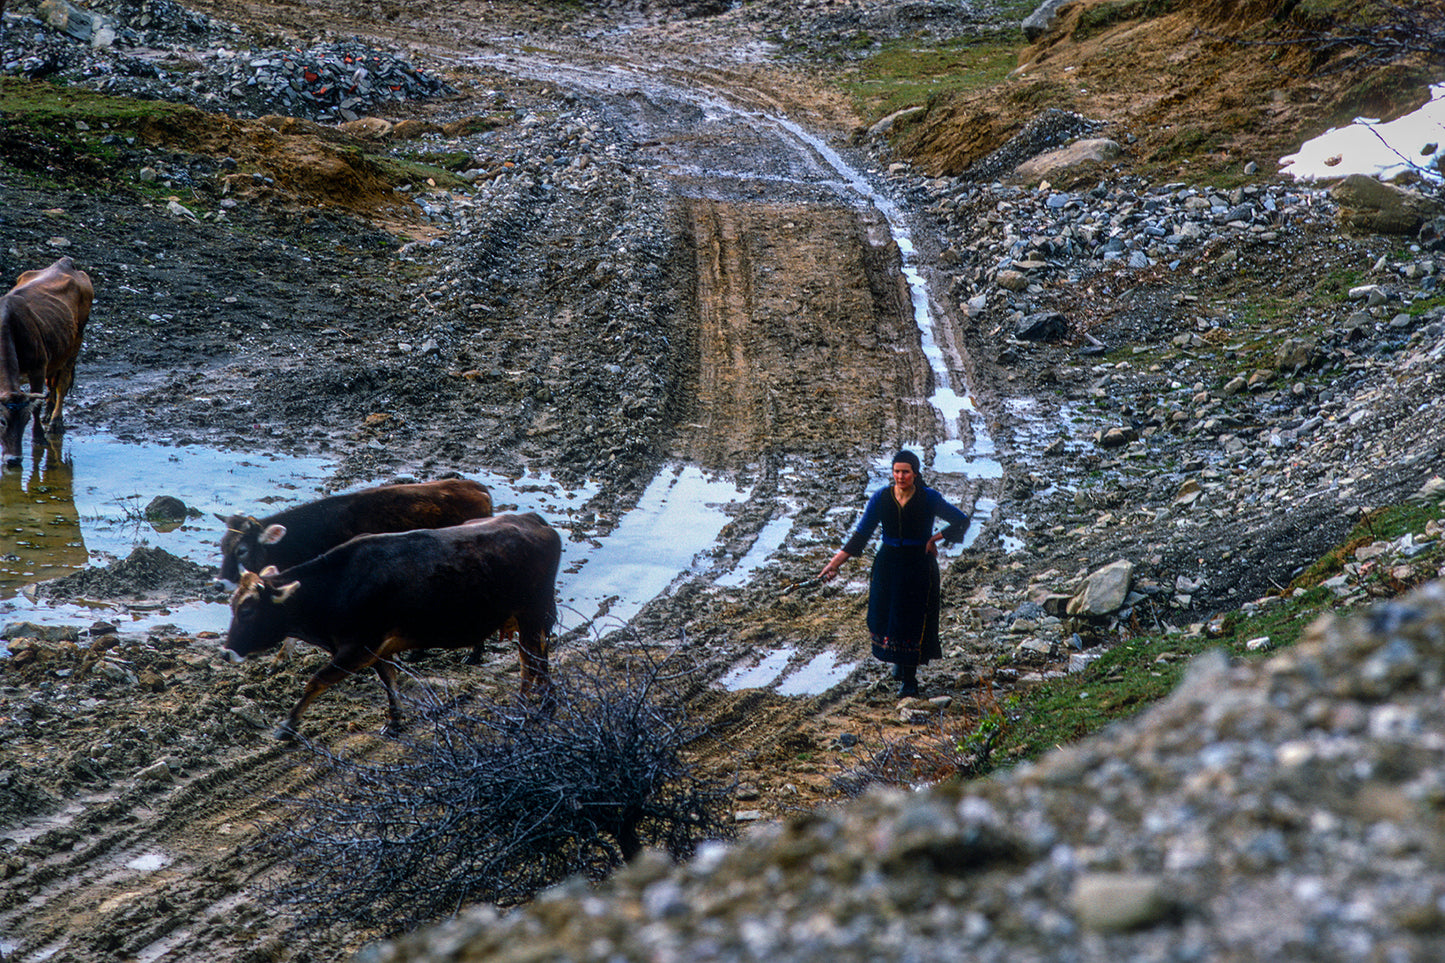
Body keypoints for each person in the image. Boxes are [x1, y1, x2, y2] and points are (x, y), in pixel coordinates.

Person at [818, 450, 970, 697]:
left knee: (911, 621)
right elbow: (861, 534)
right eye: (897, 471)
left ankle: (909, 681)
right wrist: (835, 563)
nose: (901, 476)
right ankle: (899, 663)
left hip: (918, 567)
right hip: (888, 565)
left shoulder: (929, 498)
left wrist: (935, 538)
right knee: (885, 616)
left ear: (915, 473)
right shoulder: (881, 498)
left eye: (906, 472)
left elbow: (961, 520)